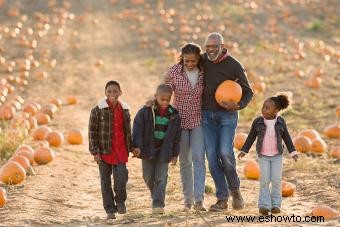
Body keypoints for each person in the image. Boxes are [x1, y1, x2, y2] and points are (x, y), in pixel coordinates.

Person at [201, 32, 254, 211]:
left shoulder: (234, 65)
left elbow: (249, 92)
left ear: (222, 47)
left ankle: (235, 191)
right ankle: (222, 198)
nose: (211, 50)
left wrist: (238, 105)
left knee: (225, 152)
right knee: (213, 158)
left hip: (227, 116)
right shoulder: (201, 61)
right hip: (206, 116)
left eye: (214, 46)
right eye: (208, 47)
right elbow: (181, 68)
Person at [238, 93, 298, 215]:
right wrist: (244, 150)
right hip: (263, 156)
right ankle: (264, 205)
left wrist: (293, 152)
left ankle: (275, 205)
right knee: (264, 180)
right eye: (263, 106)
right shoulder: (257, 122)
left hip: (277, 156)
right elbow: (251, 137)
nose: (263, 110)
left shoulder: (281, 122)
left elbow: (286, 137)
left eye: (267, 108)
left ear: (275, 111)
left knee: (276, 180)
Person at [164, 43, 206, 211]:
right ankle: (188, 201)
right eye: (186, 61)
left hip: (198, 120)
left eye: (193, 61)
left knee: (198, 159)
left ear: (198, 59)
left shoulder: (204, 71)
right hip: (179, 121)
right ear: (181, 59)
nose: (190, 64)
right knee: (185, 161)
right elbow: (164, 91)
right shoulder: (174, 71)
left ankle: (199, 200)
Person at [132, 84, 181, 214]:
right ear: (156, 97)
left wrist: (175, 154)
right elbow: (137, 129)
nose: (165, 102)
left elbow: (177, 137)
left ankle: (158, 205)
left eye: (168, 100)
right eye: (162, 99)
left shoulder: (174, 115)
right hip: (147, 149)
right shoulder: (145, 111)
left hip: (164, 151)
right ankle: (155, 195)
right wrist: (136, 147)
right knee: (148, 177)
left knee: (161, 178)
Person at [88, 80, 133, 220]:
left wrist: (131, 148)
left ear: (120, 92)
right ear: (105, 93)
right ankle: (109, 209)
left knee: (121, 176)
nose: (112, 94)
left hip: (120, 150)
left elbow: (128, 131)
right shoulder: (97, 110)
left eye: (115, 91)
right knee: (105, 181)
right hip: (104, 151)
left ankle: (120, 201)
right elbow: (92, 132)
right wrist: (95, 152)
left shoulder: (125, 109)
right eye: (109, 91)